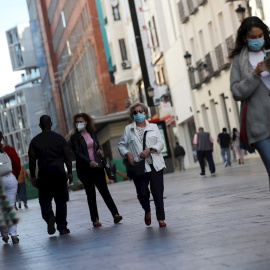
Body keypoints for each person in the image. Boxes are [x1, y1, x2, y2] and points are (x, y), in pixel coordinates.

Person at [230, 16, 270, 180]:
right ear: (245, 38)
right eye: (253, 37)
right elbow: (236, 92)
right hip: (258, 126)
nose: (258, 40)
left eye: (260, 35)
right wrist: (255, 74)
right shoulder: (239, 60)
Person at [118, 102, 167, 227]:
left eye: (141, 111)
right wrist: (128, 154)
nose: (138, 114)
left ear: (145, 112)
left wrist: (150, 149)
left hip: (155, 164)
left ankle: (161, 218)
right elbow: (121, 145)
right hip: (139, 166)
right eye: (135, 112)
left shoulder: (154, 127)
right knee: (142, 194)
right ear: (132, 115)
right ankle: (147, 210)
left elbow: (160, 143)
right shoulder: (128, 129)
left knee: (158, 192)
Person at [70, 113, 122, 227]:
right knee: (91, 194)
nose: (79, 124)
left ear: (86, 122)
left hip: (97, 167)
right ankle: (95, 219)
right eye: (77, 122)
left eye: (81, 122)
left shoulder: (92, 133)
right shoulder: (74, 137)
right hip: (85, 170)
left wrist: (99, 150)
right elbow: (77, 153)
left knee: (105, 191)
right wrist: (89, 162)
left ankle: (115, 214)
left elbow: (97, 145)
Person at [28, 115, 73, 235]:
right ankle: (62, 227)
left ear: (40, 126)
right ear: (51, 124)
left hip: (44, 174)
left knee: (44, 199)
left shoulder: (35, 141)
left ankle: (49, 217)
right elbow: (67, 157)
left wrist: (33, 176)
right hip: (59, 172)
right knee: (61, 201)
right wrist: (69, 172)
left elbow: (32, 160)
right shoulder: (60, 138)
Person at [0, 132, 21, 244]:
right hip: (10, 179)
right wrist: (15, 177)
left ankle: (4, 235)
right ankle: (13, 235)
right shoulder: (8, 148)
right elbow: (17, 164)